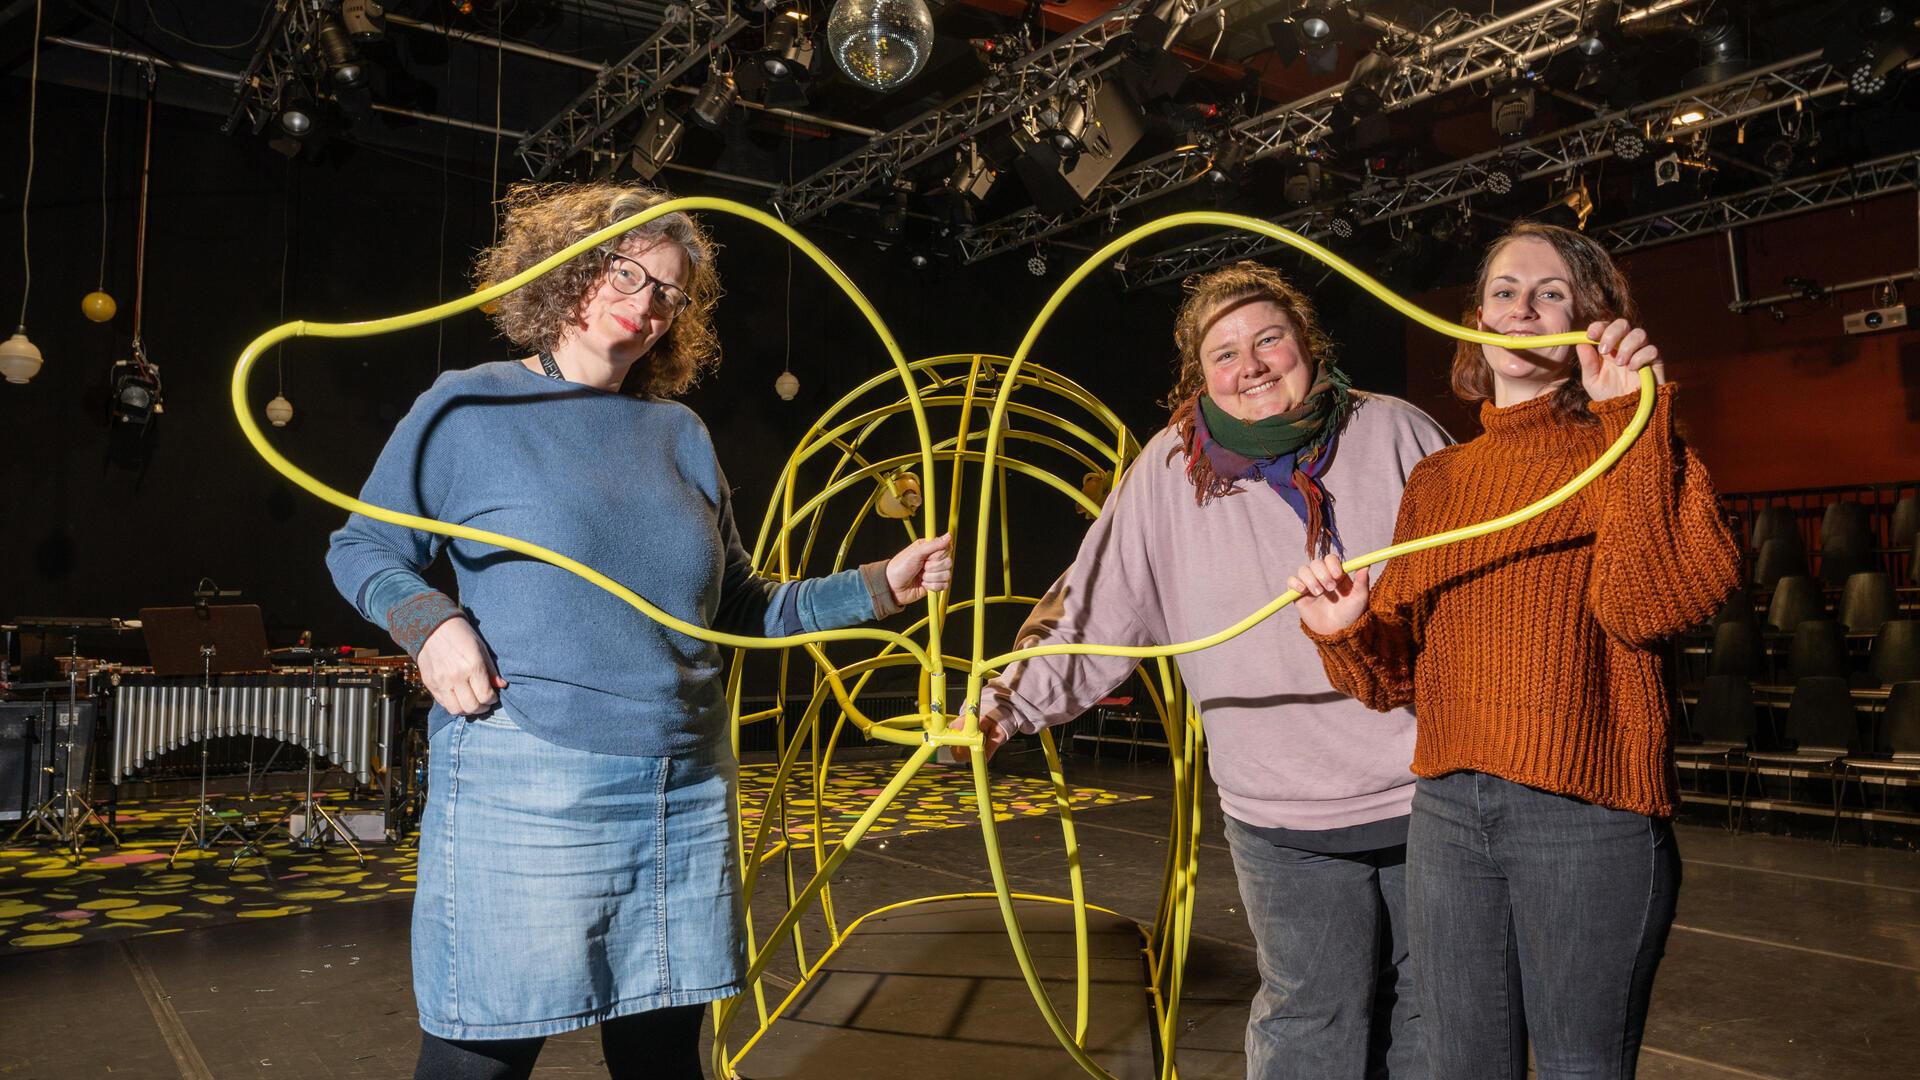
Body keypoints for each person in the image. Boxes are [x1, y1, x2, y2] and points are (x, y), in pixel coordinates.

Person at [326, 182, 952, 1080]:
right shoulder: (468, 407)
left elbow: (741, 607)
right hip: (532, 774)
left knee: (663, 1058)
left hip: (683, 783)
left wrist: (878, 588)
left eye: (671, 290)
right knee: (481, 1054)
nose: (649, 301)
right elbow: (363, 547)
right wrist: (432, 625)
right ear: (568, 272)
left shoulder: (679, 433)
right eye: (628, 272)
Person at [965, 262, 1452, 1078]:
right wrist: (1005, 704)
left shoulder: (1396, 431)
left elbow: (1478, 586)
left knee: (1435, 1013)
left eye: (1270, 339)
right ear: (1199, 374)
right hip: (1282, 811)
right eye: (1224, 352)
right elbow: (1094, 603)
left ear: (1309, 345)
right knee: (1311, 1015)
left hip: (1428, 788)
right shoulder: (1167, 472)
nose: (1251, 364)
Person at [1288, 221, 1740, 1080]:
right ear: (1477, 320)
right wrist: (1347, 629)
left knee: (1581, 1068)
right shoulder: (1440, 481)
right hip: (1449, 816)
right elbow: (1397, 680)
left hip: (1588, 816)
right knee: (1460, 1067)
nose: (1523, 308)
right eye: (1503, 291)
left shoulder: (1630, 442)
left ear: (1589, 320)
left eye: (1551, 293)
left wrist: (1633, 417)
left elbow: (1648, 606)